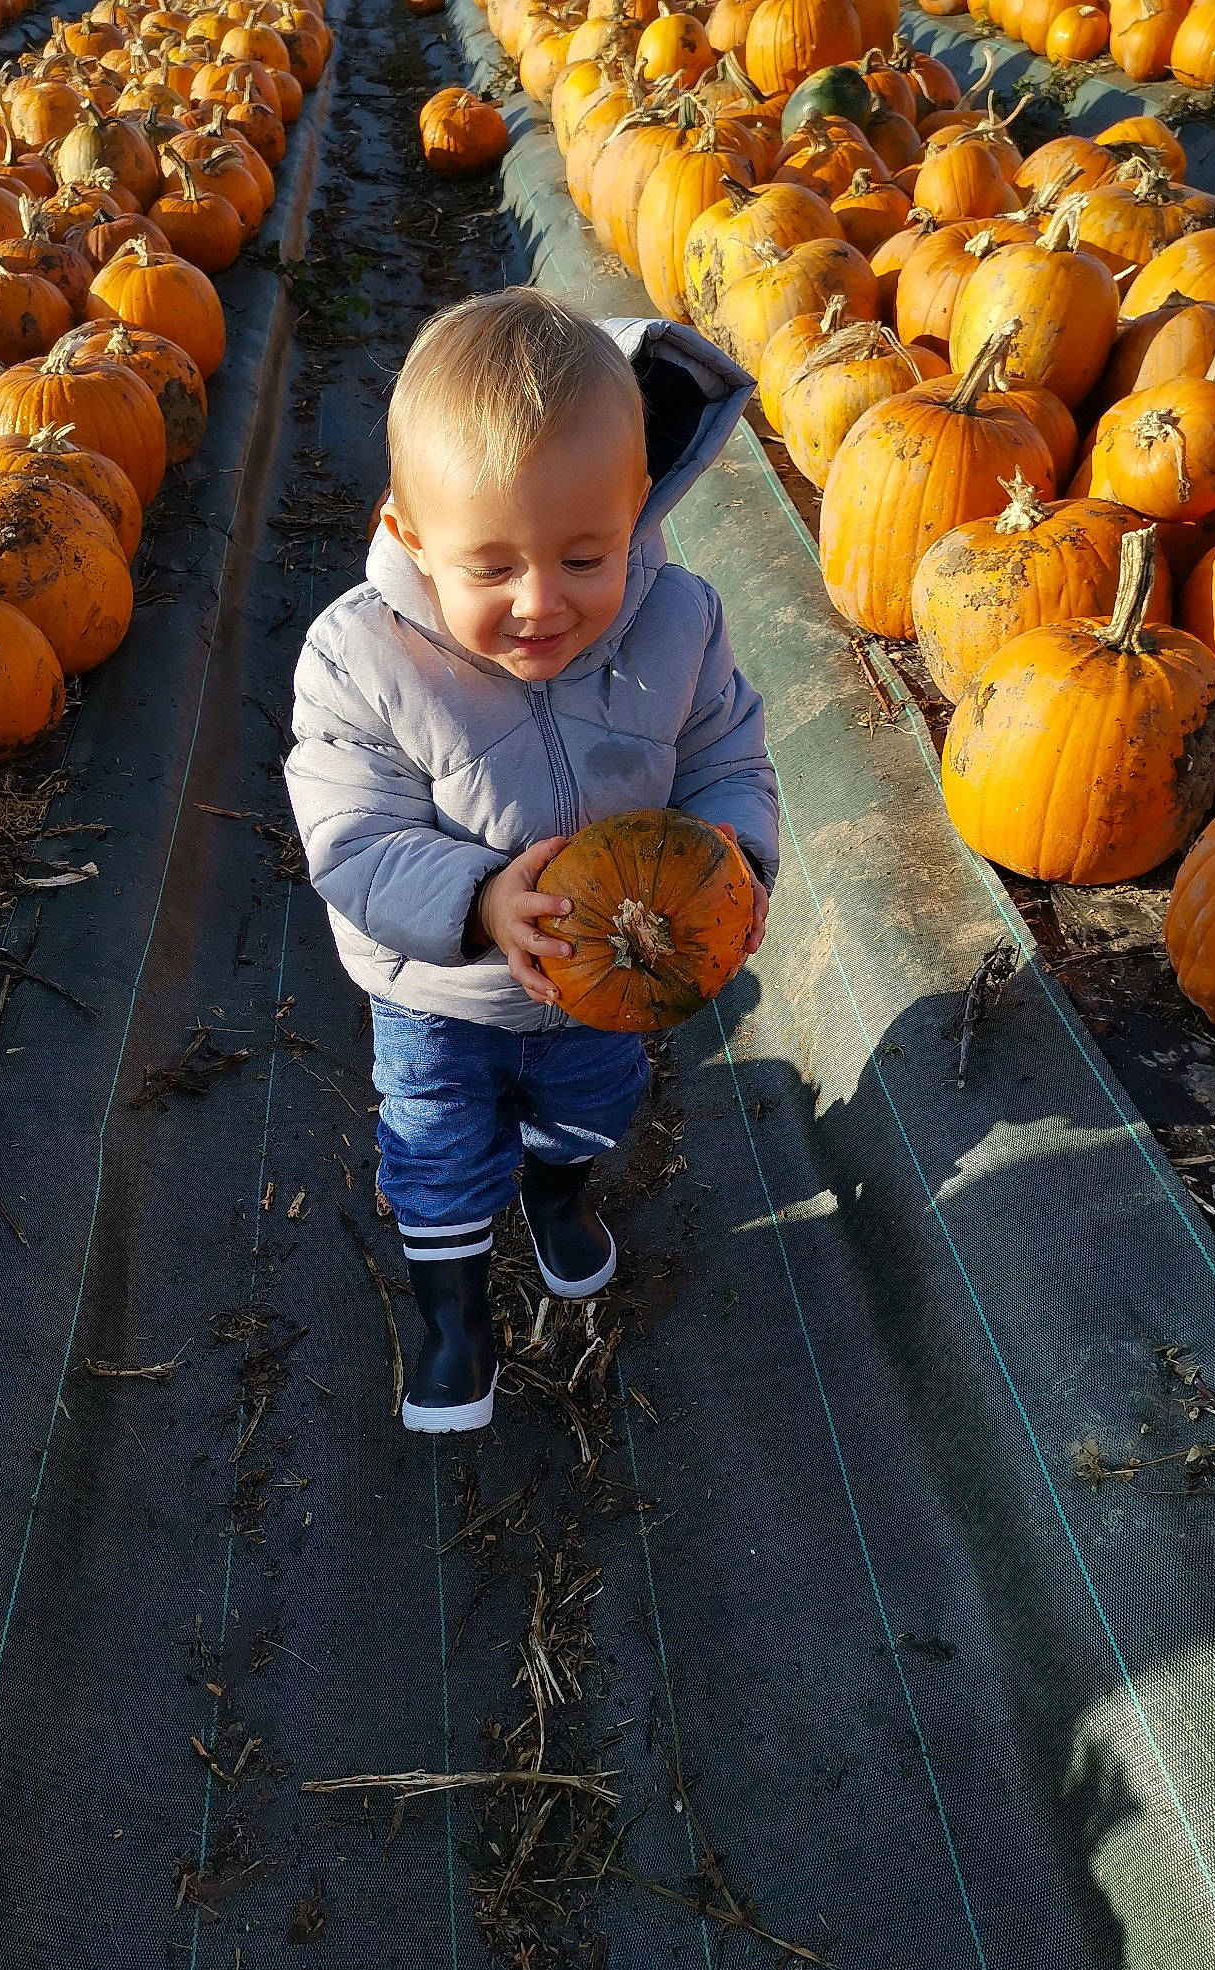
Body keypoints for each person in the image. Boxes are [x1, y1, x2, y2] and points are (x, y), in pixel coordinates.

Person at [285, 287, 779, 1433]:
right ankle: (456, 1325)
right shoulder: (361, 658)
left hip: (610, 983)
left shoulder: (682, 622)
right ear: (409, 535)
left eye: (585, 554)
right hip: (442, 994)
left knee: (589, 1110)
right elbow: (349, 837)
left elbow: (725, 756)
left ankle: (559, 1204)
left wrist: (737, 858)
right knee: (440, 1147)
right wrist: (476, 898)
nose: (542, 602)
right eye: (492, 568)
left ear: (639, 507)